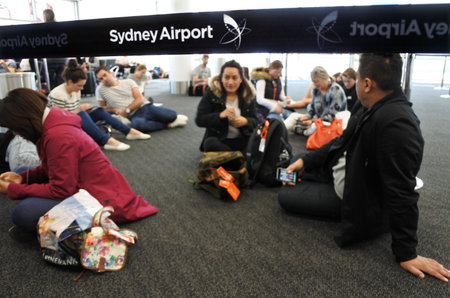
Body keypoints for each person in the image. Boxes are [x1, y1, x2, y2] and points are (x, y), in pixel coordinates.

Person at [278, 53, 450, 282]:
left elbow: (401, 190)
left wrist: (407, 252)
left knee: (285, 195)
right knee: (297, 161)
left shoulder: (397, 124)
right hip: (348, 168)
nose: (354, 83)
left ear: (367, 84)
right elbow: (341, 142)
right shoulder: (369, 105)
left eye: (357, 78)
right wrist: (306, 162)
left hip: (353, 194)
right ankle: (308, 167)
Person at [0, 88, 158, 231]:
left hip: (100, 199)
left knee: (23, 214)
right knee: (21, 173)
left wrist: (12, 190)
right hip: (86, 184)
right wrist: (22, 178)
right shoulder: (53, 120)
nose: (15, 133)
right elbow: (53, 166)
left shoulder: (58, 137)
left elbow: (60, 190)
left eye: (14, 127)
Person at [48, 60, 150, 151]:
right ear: (70, 82)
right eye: (80, 85)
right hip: (61, 125)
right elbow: (59, 119)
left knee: (99, 111)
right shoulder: (58, 94)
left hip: (74, 118)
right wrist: (79, 110)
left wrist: (81, 110)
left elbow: (74, 111)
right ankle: (108, 141)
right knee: (82, 114)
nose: (82, 88)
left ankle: (129, 132)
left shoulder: (75, 90)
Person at [95, 66, 187, 132]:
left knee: (172, 115)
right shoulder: (100, 90)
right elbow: (103, 109)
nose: (104, 79)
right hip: (133, 116)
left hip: (145, 107)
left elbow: (140, 99)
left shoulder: (128, 82)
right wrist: (114, 109)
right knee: (139, 125)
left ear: (110, 73)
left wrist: (126, 110)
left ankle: (171, 119)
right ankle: (168, 125)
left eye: (105, 75)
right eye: (101, 78)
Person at [196, 60, 257, 152]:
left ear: (241, 79)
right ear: (221, 78)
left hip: (242, 139)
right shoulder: (211, 93)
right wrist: (220, 115)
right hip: (220, 139)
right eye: (226, 77)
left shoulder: (248, 95)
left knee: (258, 144)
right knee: (210, 143)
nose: (230, 82)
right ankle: (239, 160)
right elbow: (200, 120)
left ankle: (232, 160)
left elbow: (256, 121)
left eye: (235, 78)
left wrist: (246, 121)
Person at [285, 66, 347, 135]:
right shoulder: (315, 90)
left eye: (317, 81)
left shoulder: (336, 90)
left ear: (325, 78)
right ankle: (281, 130)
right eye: (313, 82)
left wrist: (312, 121)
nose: (315, 84)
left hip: (331, 124)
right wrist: (306, 117)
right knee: (293, 116)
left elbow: (332, 116)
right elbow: (312, 110)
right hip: (317, 121)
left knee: (314, 126)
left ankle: (302, 130)